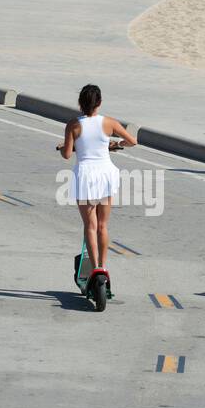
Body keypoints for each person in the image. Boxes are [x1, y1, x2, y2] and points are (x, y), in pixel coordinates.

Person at [56, 84, 137, 294]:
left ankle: (94, 270)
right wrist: (114, 144)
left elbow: (66, 154)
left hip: (85, 176)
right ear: (99, 103)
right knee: (103, 225)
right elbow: (132, 142)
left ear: (80, 104)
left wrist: (66, 147)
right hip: (106, 175)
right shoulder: (109, 123)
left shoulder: (73, 125)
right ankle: (103, 265)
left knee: (90, 226)